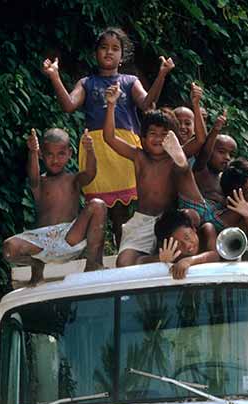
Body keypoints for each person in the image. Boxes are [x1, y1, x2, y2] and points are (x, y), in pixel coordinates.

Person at [42, 27, 174, 245]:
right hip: (96, 151)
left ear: (122, 55)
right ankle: (98, 258)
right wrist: (55, 76)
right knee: (99, 207)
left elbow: (147, 104)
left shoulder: (130, 81)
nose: (109, 52)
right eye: (104, 48)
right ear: (96, 53)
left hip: (123, 148)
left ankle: (130, 251)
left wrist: (162, 74)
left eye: (115, 48)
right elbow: (68, 105)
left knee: (126, 211)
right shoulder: (86, 83)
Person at [103, 84, 209, 267]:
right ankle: (158, 258)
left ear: (173, 138)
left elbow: (200, 140)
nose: (159, 138)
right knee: (124, 263)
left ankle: (179, 257)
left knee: (191, 219)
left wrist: (196, 105)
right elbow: (109, 138)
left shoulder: (175, 155)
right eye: (153, 134)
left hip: (171, 221)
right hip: (143, 220)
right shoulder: (139, 156)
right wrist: (111, 105)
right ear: (143, 139)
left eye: (164, 135)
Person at [2, 128, 107, 285]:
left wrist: (90, 150)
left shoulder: (74, 180)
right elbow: (33, 176)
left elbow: (91, 173)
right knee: (9, 248)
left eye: (61, 154)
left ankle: (93, 264)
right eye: (50, 155)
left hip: (70, 236)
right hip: (42, 241)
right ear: (41, 155)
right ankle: (36, 267)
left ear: (70, 153)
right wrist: (32, 151)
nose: (55, 160)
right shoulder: (39, 183)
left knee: (98, 205)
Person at [154, 209, 220, 279]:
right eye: (178, 244)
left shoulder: (206, 231)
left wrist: (189, 261)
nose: (187, 245)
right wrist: (160, 258)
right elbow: (141, 260)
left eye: (187, 237)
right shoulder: (173, 254)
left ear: (193, 228)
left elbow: (214, 255)